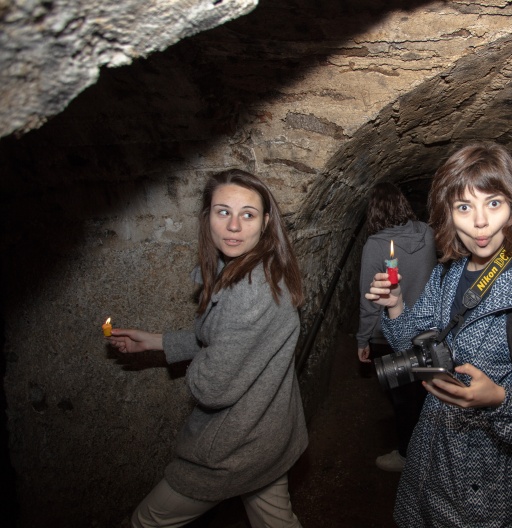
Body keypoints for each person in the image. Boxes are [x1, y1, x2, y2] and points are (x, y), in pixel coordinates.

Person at [365, 143, 512, 527]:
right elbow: (410, 345)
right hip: (432, 453)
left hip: (488, 481)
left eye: (493, 203)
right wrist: (395, 304)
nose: (480, 223)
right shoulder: (448, 273)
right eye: (464, 207)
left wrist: (499, 398)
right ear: (448, 213)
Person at [107, 169, 308, 528]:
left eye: (247, 214)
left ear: (265, 223)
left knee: (146, 522)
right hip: (268, 431)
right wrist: (156, 341)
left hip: (236, 443)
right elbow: (229, 341)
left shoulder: (248, 291)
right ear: (207, 216)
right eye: (223, 211)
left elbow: (212, 386)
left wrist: (201, 364)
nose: (234, 226)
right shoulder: (258, 267)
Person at [356, 182, 437, 472]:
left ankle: (406, 455)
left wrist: (363, 339)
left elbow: (370, 298)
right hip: (427, 330)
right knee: (427, 394)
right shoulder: (427, 233)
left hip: (391, 332)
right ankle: (430, 451)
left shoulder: (376, 244)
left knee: (403, 400)